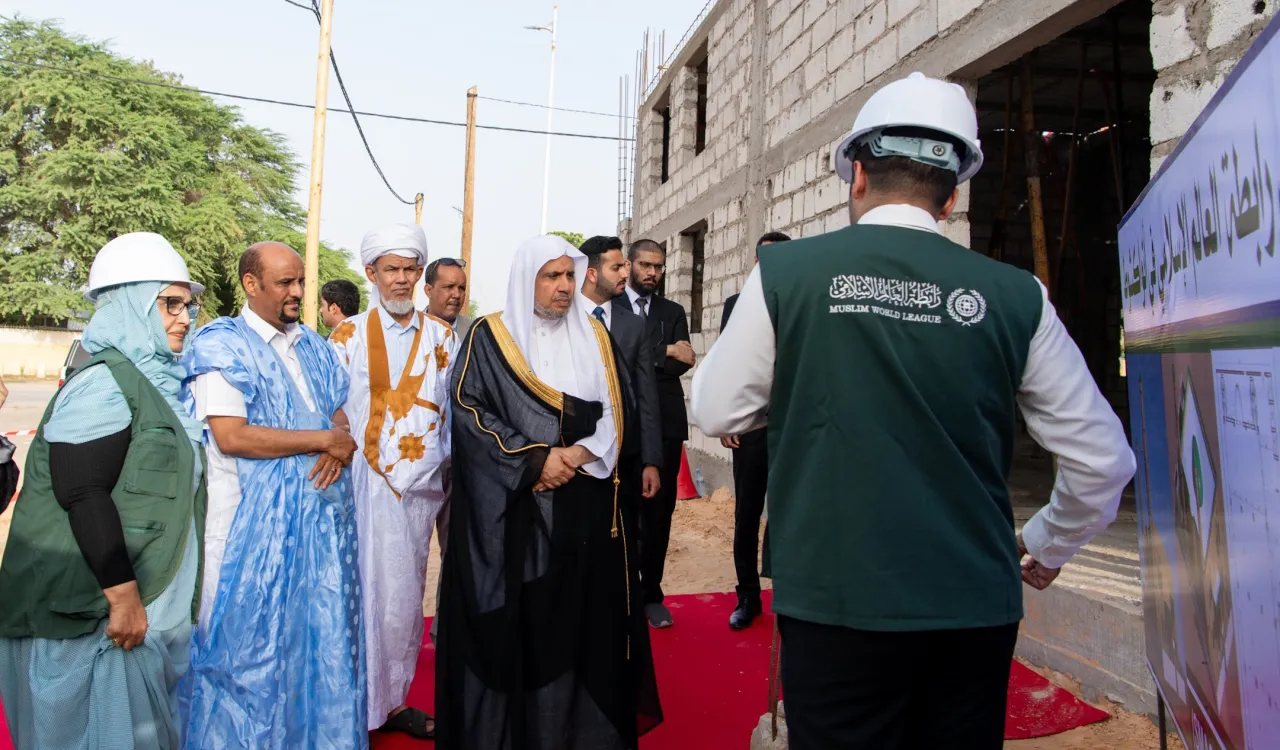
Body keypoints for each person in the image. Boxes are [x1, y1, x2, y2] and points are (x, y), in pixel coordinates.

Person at [691, 72, 1136, 749]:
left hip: (836, 601)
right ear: (952, 196)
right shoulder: (1018, 295)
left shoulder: (785, 274)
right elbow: (1104, 461)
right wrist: (1049, 541)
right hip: (972, 606)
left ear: (857, 175)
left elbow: (718, 409)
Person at [435, 235, 662, 750]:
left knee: (585, 626)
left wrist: (576, 456)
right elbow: (469, 412)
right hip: (518, 511)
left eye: (569, 275)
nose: (564, 286)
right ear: (527, 279)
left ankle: (579, 734)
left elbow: (617, 408)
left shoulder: (596, 335)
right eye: (552, 276)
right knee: (529, 627)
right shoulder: (490, 337)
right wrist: (536, 461)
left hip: (588, 505)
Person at [0, 232, 206, 750]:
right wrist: (123, 597)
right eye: (170, 304)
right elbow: (82, 491)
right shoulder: (104, 383)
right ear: (129, 306)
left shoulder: (156, 380)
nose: (185, 317)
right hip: (96, 617)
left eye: (188, 305)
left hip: (139, 611)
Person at [183, 241, 366, 749]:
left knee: (318, 642)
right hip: (249, 533)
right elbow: (232, 436)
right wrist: (322, 441)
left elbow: (338, 412)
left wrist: (337, 442)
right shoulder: (223, 345)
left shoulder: (314, 346)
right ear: (251, 284)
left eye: (301, 281)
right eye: (286, 282)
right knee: (248, 653)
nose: (298, 292)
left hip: (321, 528)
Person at [329, 223, 457, 739]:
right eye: (391, 270)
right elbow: (329, 406)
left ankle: (392, 703)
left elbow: (455, 413)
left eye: (409, 269)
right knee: (354, 595)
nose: (401, 279)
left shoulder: (444, 338)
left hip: (419, 492)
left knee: (403, 601)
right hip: (358, 489)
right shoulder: (347, 335)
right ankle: (351, 705)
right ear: (371, 273)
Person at [720, 230, 790, 631]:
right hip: (749, 427)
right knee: (747, 513)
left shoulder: (803, 301)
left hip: (793, 427)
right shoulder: (737, 305)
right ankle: (747, 596)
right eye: (765, 259)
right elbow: (728, 363)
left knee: (790, 511)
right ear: (755, 262)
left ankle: (790, 594)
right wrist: (729, 418)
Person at [625, 238, 694, 629]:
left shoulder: (673, 311)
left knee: (659, 513)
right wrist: (665, 350)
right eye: (645, 265)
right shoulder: (613, 309)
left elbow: (684, 363)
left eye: (659, 266)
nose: (653, 272)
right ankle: (623, 594)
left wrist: (651, 356)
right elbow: (618, 358)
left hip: (666, 424)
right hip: (623, 424)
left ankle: (651, 594)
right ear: (630, 265)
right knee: (623, 511)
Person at [581, 235, 662, 502]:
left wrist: (651, 461)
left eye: (625, 266)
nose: (625, 274)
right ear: (591, 274)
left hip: (622, 458)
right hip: (571, 458)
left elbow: (647, 396)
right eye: (616, 267)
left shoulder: (634, 325)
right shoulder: (564, 319)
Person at [423, 254, 470, 647]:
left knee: (457, 551)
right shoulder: (408, 332)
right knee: (406, 552)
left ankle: (447, 629)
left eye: (461, 287)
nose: (455, 294)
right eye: (448, 287)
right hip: (414, 464)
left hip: (462, 461)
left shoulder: (477, 333)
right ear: (428, 290)